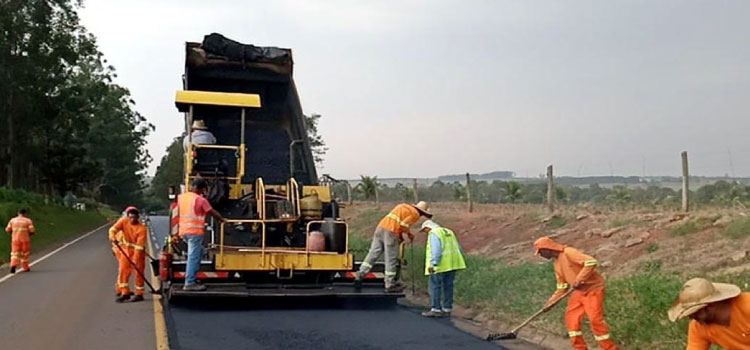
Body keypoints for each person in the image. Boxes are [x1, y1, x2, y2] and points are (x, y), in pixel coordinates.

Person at [534, 237, 618, 350]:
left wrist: (579, 279)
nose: (541, 255)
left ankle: (610, 348)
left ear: (547, 249)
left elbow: (590, 262)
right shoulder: (557, 264)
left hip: (592, 290)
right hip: (578, 293)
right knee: (571, 321)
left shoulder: (569, 252)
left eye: (540, 252)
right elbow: (562, 287)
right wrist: (550, 303)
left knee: (595, 320)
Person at [355, 201, 432, 293]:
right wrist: (405, 234)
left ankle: (360, 274)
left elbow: (398, 222)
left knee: (373, 253)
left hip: (380, 228)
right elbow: (403, 225)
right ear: (422, 212)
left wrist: (406, 233)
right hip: (391, 232)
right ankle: (390, 284)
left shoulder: (402, 206)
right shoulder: (415, 213)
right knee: (391, 258)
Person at [668, 278, 750, 350]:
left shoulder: (746, 305)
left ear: (710, 306)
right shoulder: (697, 328)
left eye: (695, 313)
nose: (692, 317)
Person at [177, 178, 226, 291]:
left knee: (197, 254)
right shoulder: (200, 200)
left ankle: (192, 278)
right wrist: (222, 219)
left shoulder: (182, 197)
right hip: (194, 232)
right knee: (193, 257)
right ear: (202, 188)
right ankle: (189, 283)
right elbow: (211, 212)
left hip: (184, 231)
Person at [420, 220, 466, 317]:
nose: (426, 233)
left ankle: (436, 309)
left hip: (440, 266)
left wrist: (433, 264)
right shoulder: (448, 231)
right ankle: (447, 308)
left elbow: (436, 249)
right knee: (448, 286)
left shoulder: (434, 233)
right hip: (452, 264)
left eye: (425, 231)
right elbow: (458, 247)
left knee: (435, 286)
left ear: (427, 228)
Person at [109, 206, 148, 302]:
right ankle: (124, 292)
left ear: (137, 217)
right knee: (123, 271)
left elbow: (139, 247)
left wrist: (135, 259)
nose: (132, 219)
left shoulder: (142, 229)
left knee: (138, 273)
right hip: (126, 250)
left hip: (137, 253)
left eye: (134, 218)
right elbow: (112, 230)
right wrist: (113, 237)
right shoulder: (123, 221)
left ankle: (139, 293)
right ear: (127, 217)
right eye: (130, 217)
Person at [4, 209, 36, 273]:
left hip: (15, 240)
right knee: (25, 254)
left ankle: (13, 265)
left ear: (18, 213)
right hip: (25, 240)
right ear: (25, 214)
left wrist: (13, 233)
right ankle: (25, 267)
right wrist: (28, 234)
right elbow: (32, 231)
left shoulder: (12, 220)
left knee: (14, 254)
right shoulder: (28, 221)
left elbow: (7, 230)